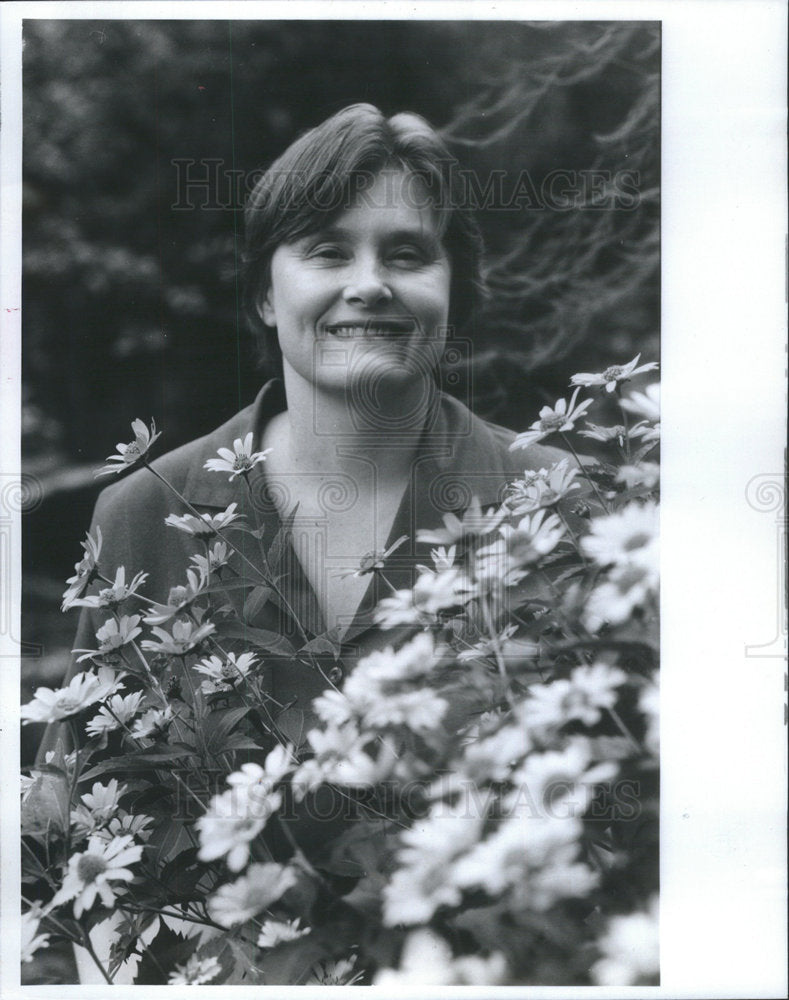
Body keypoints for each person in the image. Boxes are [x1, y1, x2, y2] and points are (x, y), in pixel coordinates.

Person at [39, 102, 570, 757]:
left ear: (453, 291)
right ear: (265, 295)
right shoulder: (141, 516)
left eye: (407, 254)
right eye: (328, 251)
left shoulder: (558, 499)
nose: (370, 284)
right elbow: (77, 813)